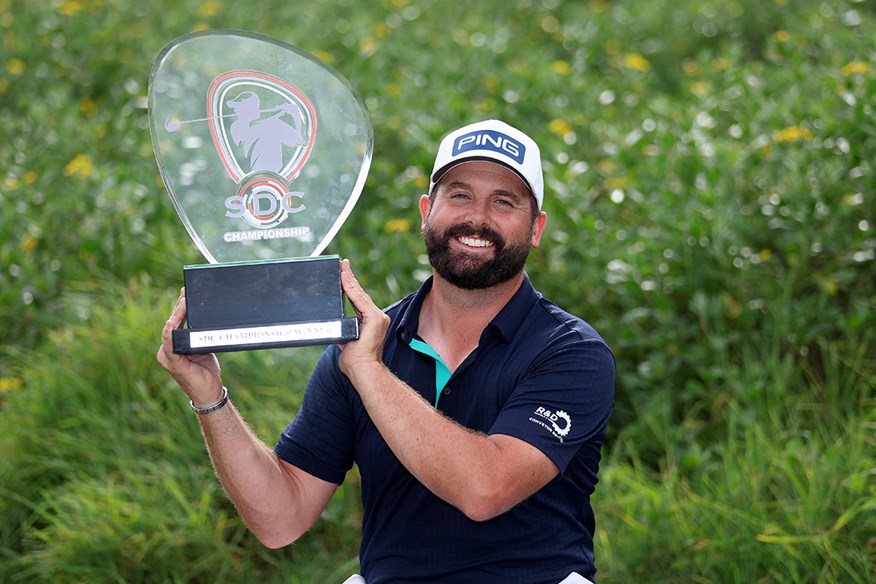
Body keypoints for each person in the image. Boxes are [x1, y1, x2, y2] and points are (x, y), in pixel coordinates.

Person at [157, 119, 616, 583]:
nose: (477, 218)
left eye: (504, 202)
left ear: (535, 228)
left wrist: (368, 371)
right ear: (426, 211)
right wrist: (211, 397)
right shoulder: (368, 346)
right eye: (459, 195)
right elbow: (281, 519)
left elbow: (484, 490)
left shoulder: (571, 353)